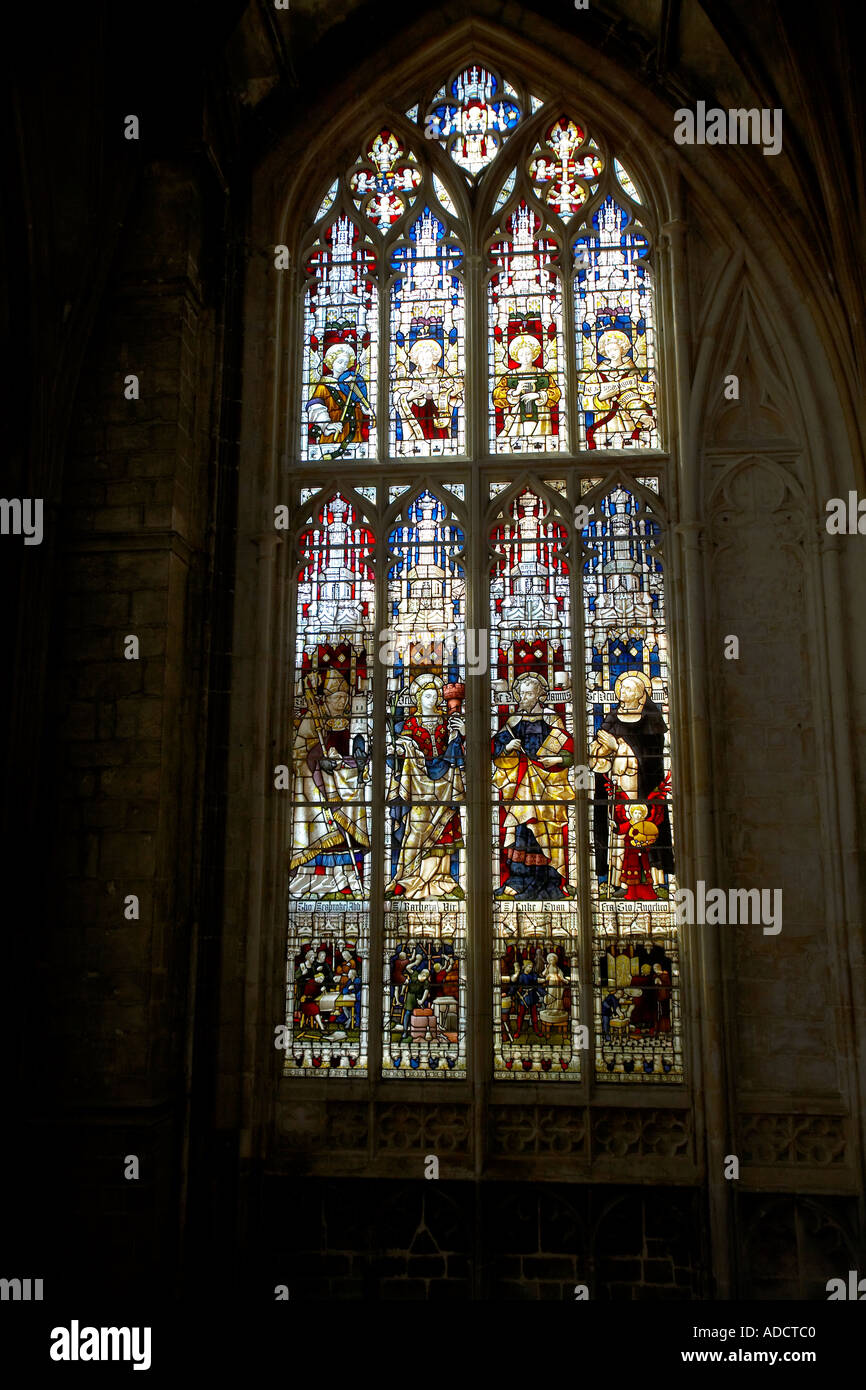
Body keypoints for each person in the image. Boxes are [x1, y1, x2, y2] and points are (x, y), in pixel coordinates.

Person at [590, 671, 673, 897]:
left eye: (628, 689)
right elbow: (597, 749)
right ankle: (615, 881)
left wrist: (618, 748)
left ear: (639, 694)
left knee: (647, 832)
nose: (622, 693)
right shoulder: (613, 717)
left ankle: (656, 882)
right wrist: (600, 751)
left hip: (644, 787)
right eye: (621, 689)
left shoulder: (652, 719)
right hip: (618, 787)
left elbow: (651, 757)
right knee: (618, 832)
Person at [289, 669, 370, 899]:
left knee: (353, 808)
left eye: (345, 698)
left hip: (344, 780)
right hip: (316, 785)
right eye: (338, 697)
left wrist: (358, 759)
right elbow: (299, 752)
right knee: (323, 825)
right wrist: (318, 760)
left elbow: (355, 749)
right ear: (327, 699)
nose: (342, 701)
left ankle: (348, 876)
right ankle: (314, 876)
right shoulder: (312, 718)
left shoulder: (351, 720)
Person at [492, 672, 574, 898]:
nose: (523, 698)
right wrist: (509, 748)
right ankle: (518, 880)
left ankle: (551, 880)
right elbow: (496, 751)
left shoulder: (552, 720)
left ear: (540, 696)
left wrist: (556, 760)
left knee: (548, 833)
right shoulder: (513, 721)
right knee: (522, 832)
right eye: (521, 693)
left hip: (549, 786)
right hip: (521, 786)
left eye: (528, 694)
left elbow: (569, 752)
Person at [386, 673, 466, 899]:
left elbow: (457, 750)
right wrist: (398, 750)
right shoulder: (411, 724)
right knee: (416, 832)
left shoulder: (445, 721)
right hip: (418, 785)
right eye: (427, 695)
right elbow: (402, 747)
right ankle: (408, 878)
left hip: (445, 783)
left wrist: (461, 734)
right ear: (419, 698)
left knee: (443, 832)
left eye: (434, 695)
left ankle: (442, 881)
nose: (431, 699)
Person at [581, 329, 655, 448]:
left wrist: (642, 416)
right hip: (603, 425)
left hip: (627, 421)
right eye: (608, 350)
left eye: (615, 349)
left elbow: (636, 400)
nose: (612, 353)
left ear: (622, 349)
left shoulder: (632, 372)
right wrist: (600, 398)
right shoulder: (597, 374)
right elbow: (585, 402)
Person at [305, 342, 375, 452]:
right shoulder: (323, 386)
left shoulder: (351, 384)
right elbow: (315, 408)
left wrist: (365, 409)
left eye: (346, 363)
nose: (343, 366)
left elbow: (359, 402)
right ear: (331, 362)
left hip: (354, 434)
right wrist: (327, 425)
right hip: (333, 434)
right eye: (340, 362)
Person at [492, 333, 561, 441]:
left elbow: (556, 392)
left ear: (534, 354)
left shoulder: (543, 373)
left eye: (528, 353)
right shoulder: (511, 375)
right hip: (517, 415)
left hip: (541, 415)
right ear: (516, 356)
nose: (525, 357)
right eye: (522, 354)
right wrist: (514, 392)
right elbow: (496, 394)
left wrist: (538, 395)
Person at [394, 337, 463, 444]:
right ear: (417, 360)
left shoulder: (443, 375)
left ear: (434, 358)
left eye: (428, 357)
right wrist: (409, 397)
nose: (425, 361)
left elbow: (453, 396)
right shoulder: (413, 376)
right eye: (422, 358)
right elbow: (400, 397)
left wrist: (453, 392)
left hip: (438, 416)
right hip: (419, 416)